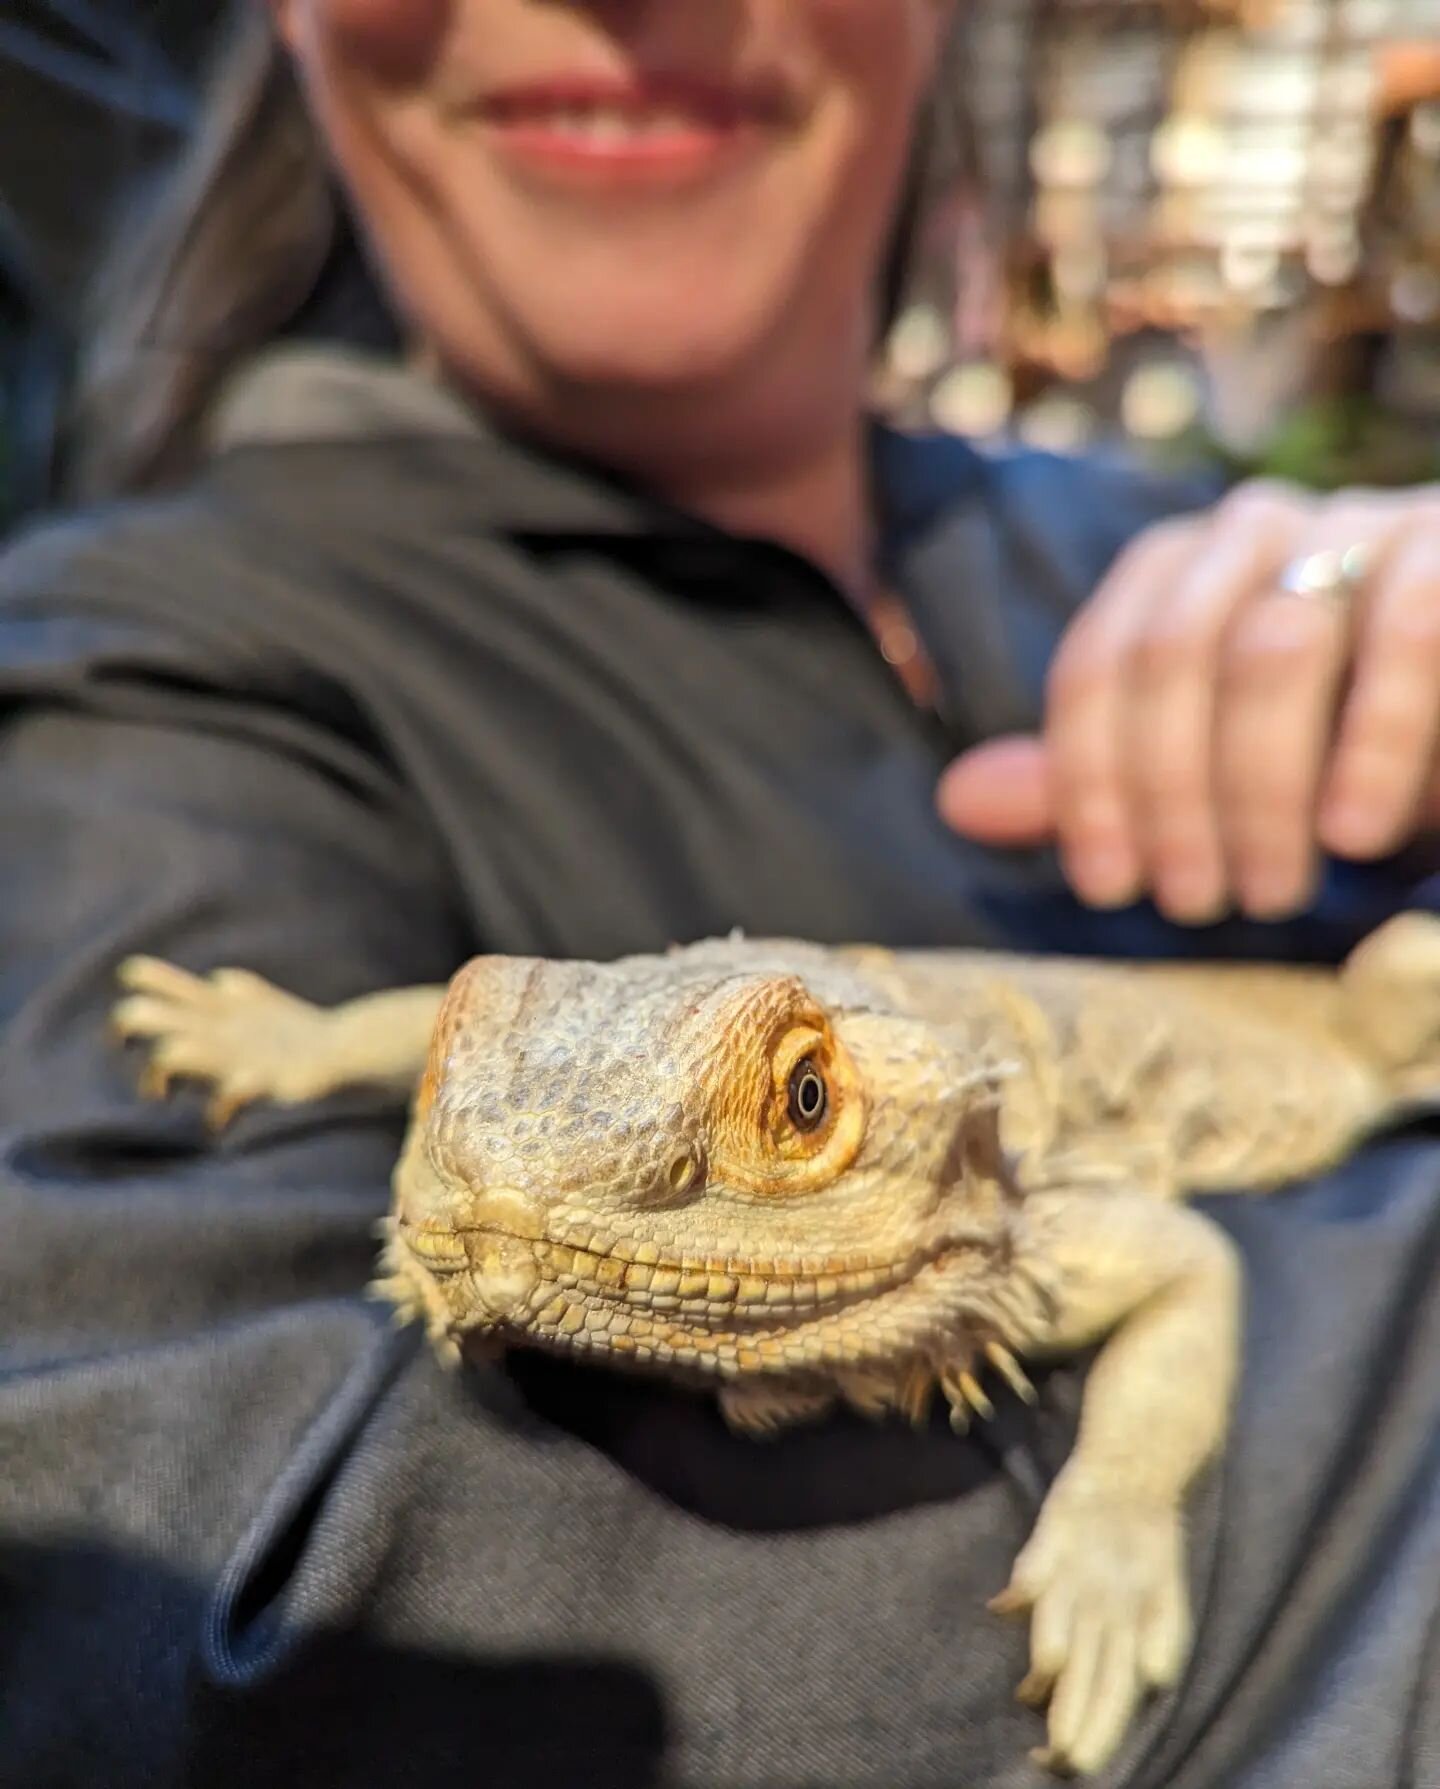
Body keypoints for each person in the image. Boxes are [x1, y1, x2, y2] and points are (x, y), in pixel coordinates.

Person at [1, 4, 1438, 1786]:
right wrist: (303, 1045)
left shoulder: (1142, 535)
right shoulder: (136, 678)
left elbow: (1178, 1264)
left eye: (802, 1106)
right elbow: (207, 1629)